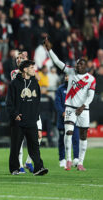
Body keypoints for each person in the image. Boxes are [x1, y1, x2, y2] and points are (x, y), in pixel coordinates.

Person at [44, 38, 96, 171]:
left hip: (84, 109)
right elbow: (57, 62)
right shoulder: (71, 71)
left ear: (86, 67)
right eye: (77, 64)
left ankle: (80, 163)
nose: (78, 66)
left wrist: (83, 106)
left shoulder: (91, 79)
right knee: (69, 132)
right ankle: (68, 159)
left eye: (80, 65)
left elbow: (91, 95)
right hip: (70, 108)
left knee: (83, 135)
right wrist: (49, 49)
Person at [6, 60, 48, 176]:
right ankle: (15, 168)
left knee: (35, 145)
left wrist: (35, 116)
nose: (34, 69)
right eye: (31, 67)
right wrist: (14, 115)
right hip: (18, 121)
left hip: (31, 120)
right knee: (16, 146)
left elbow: (37, 101)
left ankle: (39, 167)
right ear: (25, 69)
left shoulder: (35, 83)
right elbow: (9, 102)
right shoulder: (14, 84)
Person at [55, 75, 80, 168]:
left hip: (74, 118)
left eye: (69, 76)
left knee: (75, 138)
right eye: (65, 76)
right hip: (63, 119)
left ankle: (76, 158)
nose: (67, 77)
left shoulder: (76, 88)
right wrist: (62, 112)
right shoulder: (60, 89)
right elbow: (57, 102)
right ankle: (62, 159)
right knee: (62, 139)